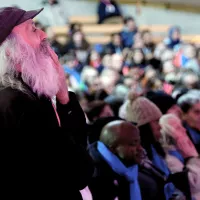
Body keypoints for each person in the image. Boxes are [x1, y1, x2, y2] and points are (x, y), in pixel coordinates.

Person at [0, 7, 93, 199]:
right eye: (33, 30)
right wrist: (64, 100)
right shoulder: (18, 102)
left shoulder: (25, 93)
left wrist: (63, 97)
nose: (43, 35)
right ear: (11, 52)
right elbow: (76, 172)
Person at [88, 120, 166, 200]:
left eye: (140, 142)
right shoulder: (95, 180)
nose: (141, 148)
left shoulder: (135, 171)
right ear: (113, 148)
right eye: (133, 144)